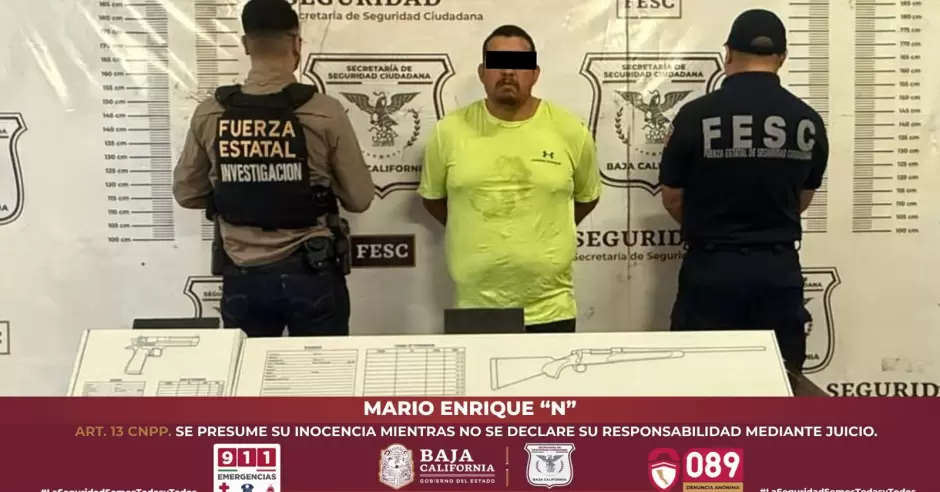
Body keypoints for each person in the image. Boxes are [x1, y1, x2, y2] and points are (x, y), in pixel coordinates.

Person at [172, 0, 373, 338]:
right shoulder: (325, 111)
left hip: (241, 274)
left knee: (250, 371)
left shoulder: (211, 112)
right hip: (311, 270)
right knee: (322, 368)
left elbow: (187, 193)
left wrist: (239, 191)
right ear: (296, 44)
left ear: (245, 44)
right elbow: (360, 198)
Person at [658, 9, 828, 373]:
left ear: (728, 53)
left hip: (712, 269)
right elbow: (803, 198)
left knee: (699, 380)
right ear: (782, 57)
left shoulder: (694, 116)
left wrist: (713, 225)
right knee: (778, 381)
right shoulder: (808, 121)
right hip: (777, 270)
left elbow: (672, 197)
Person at [418, 25, 602, 333]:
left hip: (550, 306)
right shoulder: (447, 132)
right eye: (497, 63)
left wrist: (544, 234)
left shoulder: (571, 130)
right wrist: (473, 227)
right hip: (475, 305)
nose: (507, 72)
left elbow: (586, 198)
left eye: (518, 63)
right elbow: (433, 200)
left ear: (535, 73)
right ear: (482, 72)